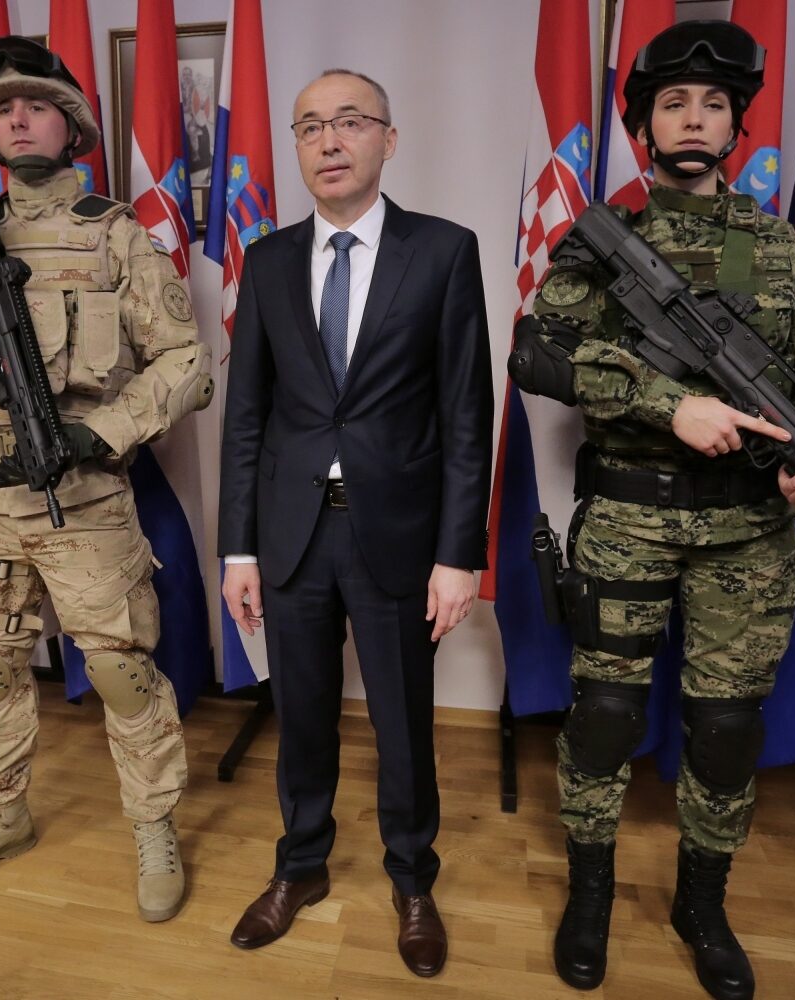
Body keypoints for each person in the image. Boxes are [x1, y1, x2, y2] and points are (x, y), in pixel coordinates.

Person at [517, 21, 795, 999]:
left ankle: (701, 906)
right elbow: (538, 354)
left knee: (725, 728)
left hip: (748, 533)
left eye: (712, 105)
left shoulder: (768, 244)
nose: (694, 119)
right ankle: (589, 894)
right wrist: (669, 404)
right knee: (605, 715)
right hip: (629, 517)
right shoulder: (605, 239)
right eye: (673, 104)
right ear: (643, 128)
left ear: (736, 126)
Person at [0, 36, 213, 923]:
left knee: (121, 672)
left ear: (72, 124)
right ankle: (1, 813)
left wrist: (100, 432)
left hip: (85, 496)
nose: (19, 120)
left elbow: (185, 363)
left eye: (36, 106)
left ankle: (153, 824)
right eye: (3, 111)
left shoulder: (114, 233)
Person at [217, 69, 492, 978]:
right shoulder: (265, 261)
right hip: (291, 533)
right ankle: (300, 866)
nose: (329, 142)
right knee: (300, 716)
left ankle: (412, 880)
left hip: (398, 535)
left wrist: (459, 555)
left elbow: (466, 416)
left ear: (388, 138)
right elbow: (247, 417)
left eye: (349, 122)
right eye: (309, 128)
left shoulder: (444, 251)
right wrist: (239, 546)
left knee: (403, 723)